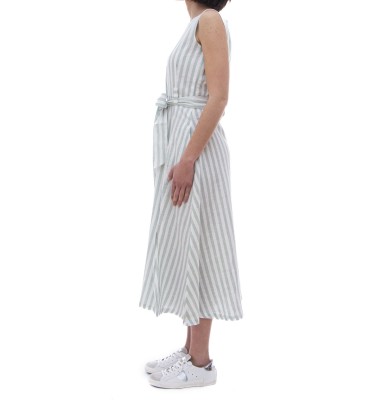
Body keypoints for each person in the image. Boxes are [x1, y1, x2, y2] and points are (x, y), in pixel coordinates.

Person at [139, 0, 243, 389]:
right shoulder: (198, 24)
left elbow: (219, 97)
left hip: (197, 154)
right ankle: (190, 349)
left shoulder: (211, 20)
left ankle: (201, 362)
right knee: (189, 244)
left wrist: (188, 158)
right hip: (186, 150)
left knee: (201, 245)